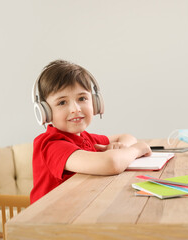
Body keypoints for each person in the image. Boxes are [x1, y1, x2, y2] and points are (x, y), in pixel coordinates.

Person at [30, 60, 151, 204]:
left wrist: (120, 147)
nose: (75, 109)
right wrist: (137, 149)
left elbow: (126, 137)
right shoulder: (50, 145)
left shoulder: (86, 139)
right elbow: (111, 163)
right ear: (45, 112)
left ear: (95, 103)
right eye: (62, 102)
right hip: (47, 222)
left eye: (82, 98)